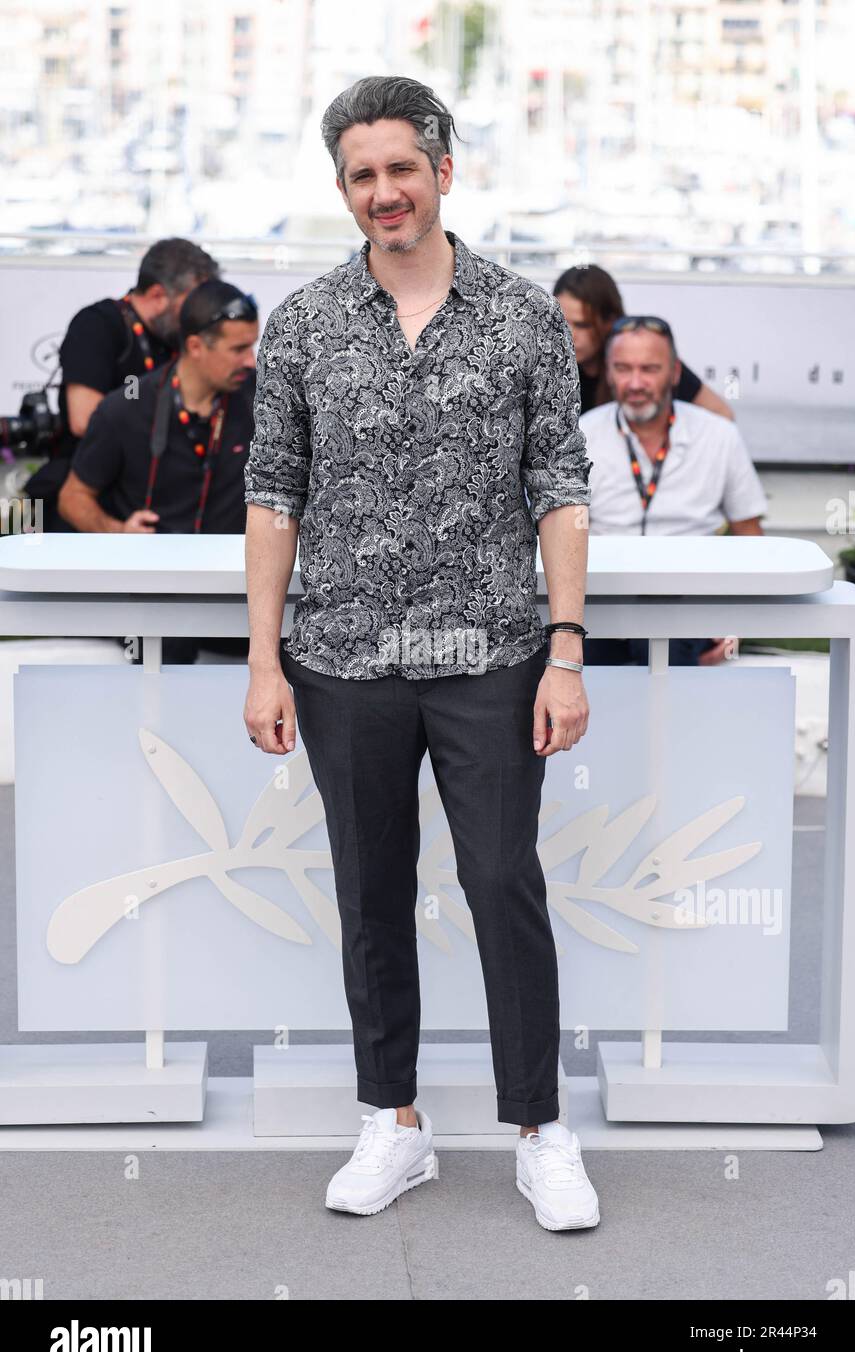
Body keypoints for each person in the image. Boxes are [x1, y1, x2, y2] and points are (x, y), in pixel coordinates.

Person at [243, 74, 601, 1232]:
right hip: (341, 656)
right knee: (370, 892)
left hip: (494, 649)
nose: (384, 192)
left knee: (502, 881)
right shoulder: (300, 326)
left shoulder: (522, 315)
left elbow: (559, 484)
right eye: (362, 174)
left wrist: (565, 649)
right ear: (343, 188)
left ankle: (541, 1131)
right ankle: (391, 1122)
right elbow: (272, 497)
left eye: (402, 167)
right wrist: (263, 659)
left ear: (445, 169)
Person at [58, 278, 259, 664]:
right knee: (169, 642)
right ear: (196, 346)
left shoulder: (264, 403)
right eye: (238, 349)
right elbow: (72, 497)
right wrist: (120, 532)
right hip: (155, 598)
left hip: (240, 594)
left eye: (251, 346)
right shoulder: (126, 408)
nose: (250, 360)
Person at [579, 314, 767, 667]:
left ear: (675, 374)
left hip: (687, 606)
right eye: (623, 368)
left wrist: (736, 624)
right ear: (608, 372)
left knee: (672, 653)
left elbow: (750, 535)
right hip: (600, 607)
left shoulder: (718, 436)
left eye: (649, 369)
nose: (635, 383)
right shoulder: (581, 436)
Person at [25, 237, 220, 531]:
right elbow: (83, 419)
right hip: (89, 492)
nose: (199, 314)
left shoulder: (179, 340)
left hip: (152, 495)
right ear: (157, 295)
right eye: (192, 302)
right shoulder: (99, 324)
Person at [553, 263, 734, 420]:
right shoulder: (545, 365)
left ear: (610, 321)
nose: (568, 335)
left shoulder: (641, 356)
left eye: (582, 325)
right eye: (561, 322)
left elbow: (722, 414)